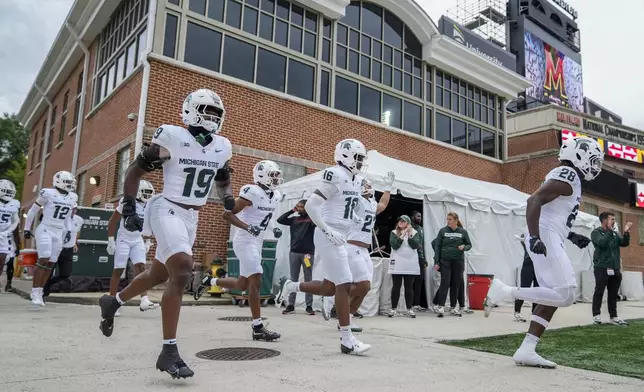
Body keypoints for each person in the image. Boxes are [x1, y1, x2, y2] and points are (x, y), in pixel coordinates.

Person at [98, 88, 234, 379]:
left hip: (191, 217)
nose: (212, 117)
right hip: (167, 208)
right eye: (207, 111)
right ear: (191, 110)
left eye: (216, 113)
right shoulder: (172, 137)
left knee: (158, 275)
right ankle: (168, 351)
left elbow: (222, 177)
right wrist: (131, 208)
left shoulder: (222, 145)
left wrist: (227, 199)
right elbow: (134, 171)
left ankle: (114, 301)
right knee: (183, 269)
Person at [484, 136, 603, 369]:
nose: (595, 166)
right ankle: (505, 291)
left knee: (552, 295)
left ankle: (527, 349)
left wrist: (570, 235)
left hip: (550, 235)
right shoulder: (568, 174)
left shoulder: (570, 177)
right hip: (544, 236)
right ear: (578, 155)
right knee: (566, 293)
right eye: (592, 159)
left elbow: (553, 213)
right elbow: (534, 200)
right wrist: (536, 236)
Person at [276, 139, 371, 355]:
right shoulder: (335, 174)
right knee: (345, 284)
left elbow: (343, 204)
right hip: (329, 234)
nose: (360, 162)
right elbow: (311, 205)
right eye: (358, 157)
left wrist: (354, 217)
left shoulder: (355, 179)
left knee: (330, 287)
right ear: (345, 156)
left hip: (341, 234)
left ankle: (292, 286)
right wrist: (328, 229)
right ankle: (347, 339)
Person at [198, 160, 283, 341]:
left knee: (242, 285)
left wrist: (273, 227)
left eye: (277, 175)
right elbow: (227, 214)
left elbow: (267, 216)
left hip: (257, 241)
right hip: (244, 241)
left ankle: (212, 280)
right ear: (261, 176)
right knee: (257, 278)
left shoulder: (275, 195)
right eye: (272, 175)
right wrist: (246, 227)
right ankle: (257, 327)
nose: (276, 179)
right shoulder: (251, 192)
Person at [337, 173, 394, 329]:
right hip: (352, 247)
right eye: (366, 185)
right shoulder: (357, 200)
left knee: (366, 287)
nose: (369, 188)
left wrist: (388, 188)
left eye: (370, 185)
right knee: (362, 285)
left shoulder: (370, 203)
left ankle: (346, 318)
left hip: (364, 250)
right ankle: (334, 297)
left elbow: (382, 204)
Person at [24, 171, 78, 307]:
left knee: (51, 263)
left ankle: (40, 291)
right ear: (58, 181)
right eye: (68, 182)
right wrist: (26, 228)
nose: (70, 185)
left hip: (59, 231)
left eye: (71, 182)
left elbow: (68, 218)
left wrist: (69, 231)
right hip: (45, 229)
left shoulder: (72, 197)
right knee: (44, 258)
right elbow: (32, 211)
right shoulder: (47, 193)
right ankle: (34, 291)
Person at [106, 180, 158, 315]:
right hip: (124, 239)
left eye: (149, 193)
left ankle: (144, 300)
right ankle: (112, 301)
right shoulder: (128, 202)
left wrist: (147, 240)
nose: (147, 195)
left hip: (137, 239)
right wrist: (111, 240)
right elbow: (112, 221)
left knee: (141, 268)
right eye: (145, 192)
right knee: (118, 270)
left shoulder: (150, 205)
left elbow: (149, 226)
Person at [277, 199, 317, 315]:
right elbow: (280, 220)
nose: (298, 208)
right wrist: (292, 210)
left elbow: (318, 220)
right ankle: (291, 305)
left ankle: (309, 306)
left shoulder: (311, 220)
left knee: (308, 279)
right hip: (294, 252)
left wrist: (311, 210)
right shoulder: (294, 219)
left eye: (301, 207)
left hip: (307, 254)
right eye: (297, 206)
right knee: (293, 279)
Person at [590, 212, 631, 326]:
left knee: (613, 294)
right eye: (611, 219)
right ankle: (596, 316)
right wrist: (609, 231)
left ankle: (614, 316)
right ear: (604, 220)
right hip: (602, 267)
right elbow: (602, 243)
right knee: (599, 291)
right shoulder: (596, 233)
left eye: (614, 219)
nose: (614, 221)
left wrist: (626, 232)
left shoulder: (614, 233)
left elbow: (623, 243)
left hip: (615, 267)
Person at [433, 212, 471, 317]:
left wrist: (464, 247)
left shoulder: (462, 231)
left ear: (455, 220)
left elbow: (469, 244)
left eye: (450, 219)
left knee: (456, 284)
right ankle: (441, 306)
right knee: (445, 283)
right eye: (447, 219)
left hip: (458, 261)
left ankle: (454, 307)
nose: (448, 221)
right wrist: (436, 261)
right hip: (445, 261)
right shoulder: (443, 231)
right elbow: (437, 247)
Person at [43, 213, 85, 299]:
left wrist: (75, 243)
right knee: (49, 271)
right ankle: (43, 293)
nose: (73, 211)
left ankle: (47, 284)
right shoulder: (60, 218)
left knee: (66, 273)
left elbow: (77, 232)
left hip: (68, 249)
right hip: (56, 246)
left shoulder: (79, 220)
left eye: (75, 209)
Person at [386, 215, 421, 318]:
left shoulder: (414, 233)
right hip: (397, 263)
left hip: (410, 264)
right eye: (400, 220)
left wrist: (409, 234)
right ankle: (393, 309)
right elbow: (395, 245)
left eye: (403, 221)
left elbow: (415, 245)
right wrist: (402, 235)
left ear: (408, 223)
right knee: (396, 287)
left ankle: (409, 309)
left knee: (409, 287)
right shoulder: (393, 233)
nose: (401, 222)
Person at [513, 233, 539, 322]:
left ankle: (535, 313)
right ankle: (517, 312)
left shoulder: (544, 233)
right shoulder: (526, 233)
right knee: (524, 288)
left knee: (538, 289)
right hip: (528, 263)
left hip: (540, 265)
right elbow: (523, 241)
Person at [0, 180, 20, 292]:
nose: (8, 194)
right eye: (6, 191)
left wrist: (8, 232)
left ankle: (8, 283)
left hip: (5, 235)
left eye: (10, 192)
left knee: (6, 259)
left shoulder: (14, 203)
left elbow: (16, 221)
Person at [410, 211, 428, 311]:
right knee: (410, 281)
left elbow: (423, 245)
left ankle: (416, 304)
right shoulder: (409, 228)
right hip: (411, 257)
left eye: (421, 216)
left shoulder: (421, 229)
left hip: (420, 258)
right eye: (418, 216)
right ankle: (410, 304)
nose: (420, 218)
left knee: (419, 281)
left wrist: (424, 258)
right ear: (412, 217)